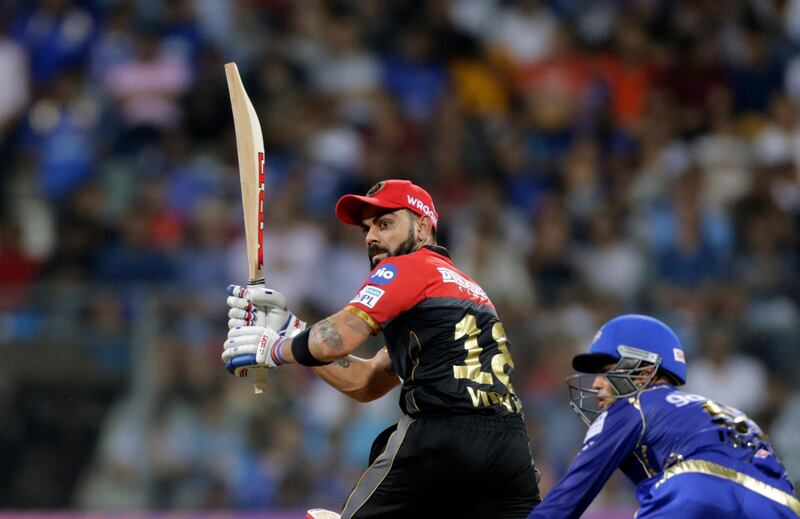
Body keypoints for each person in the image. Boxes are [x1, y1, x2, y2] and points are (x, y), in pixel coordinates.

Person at [223, 179, 541, 518]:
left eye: (385, 223)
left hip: (442, 439)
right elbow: (368, 381)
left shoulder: (406, 267)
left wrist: (275, 349)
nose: (372, 237)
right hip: (511, 451)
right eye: (367, 228)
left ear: (422, 227)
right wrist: (293, 329)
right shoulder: (465, 289)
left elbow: (340, 336)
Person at [530, 314, 799, 519]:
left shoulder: (631, 405)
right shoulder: (726, 411)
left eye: (608, 370)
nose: (596, 383)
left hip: (693, 490)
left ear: (645, 372)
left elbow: (567, 499)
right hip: (780, 505)